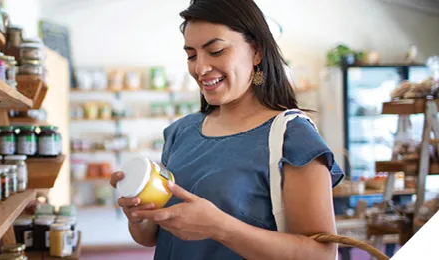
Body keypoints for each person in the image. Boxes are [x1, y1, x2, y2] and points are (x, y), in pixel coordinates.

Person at [109, 0, 346, 259]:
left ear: (257, 51)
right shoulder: (181, 132)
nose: (200, 68)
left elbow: (321, 254)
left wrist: (220, 228)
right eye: (191, 55)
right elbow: (152, 236)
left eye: (216, 50)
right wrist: (139, 216)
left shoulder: (293, 138)